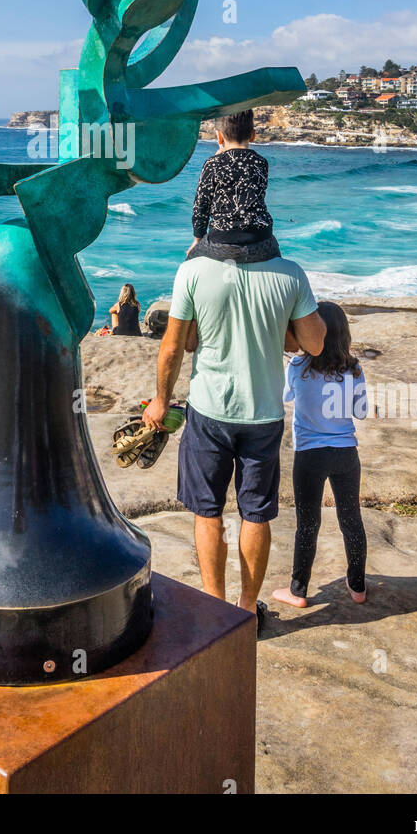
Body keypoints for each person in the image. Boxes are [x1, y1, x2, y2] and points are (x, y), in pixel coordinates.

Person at [144, 246, 326, 627]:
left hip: (210, 410)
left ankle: (215, 610)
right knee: (255, 513)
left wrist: (161, 400)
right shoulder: (290, 273)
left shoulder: (193, 270)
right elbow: (313, 343)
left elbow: (178, 344)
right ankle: (246, 610)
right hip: (263, 413)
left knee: (208, 511)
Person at [272, 301, 369, 609]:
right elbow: (361, 412)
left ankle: (298, 590)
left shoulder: (298, 366)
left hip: (309, 455)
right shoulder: (353, 367)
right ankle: (357, 586)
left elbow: (285, 396)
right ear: (344, 334)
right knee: (351, 519)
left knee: (308, 524)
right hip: (344, 453)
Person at [187, 110, 279, 263]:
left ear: (220, 137)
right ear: (253, 135)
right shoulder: (261, 162)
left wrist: (198, 239)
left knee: (190, 261)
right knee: (276, 256)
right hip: (261, 240)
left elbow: (201, 206)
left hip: (222, 242)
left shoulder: (213, 164)